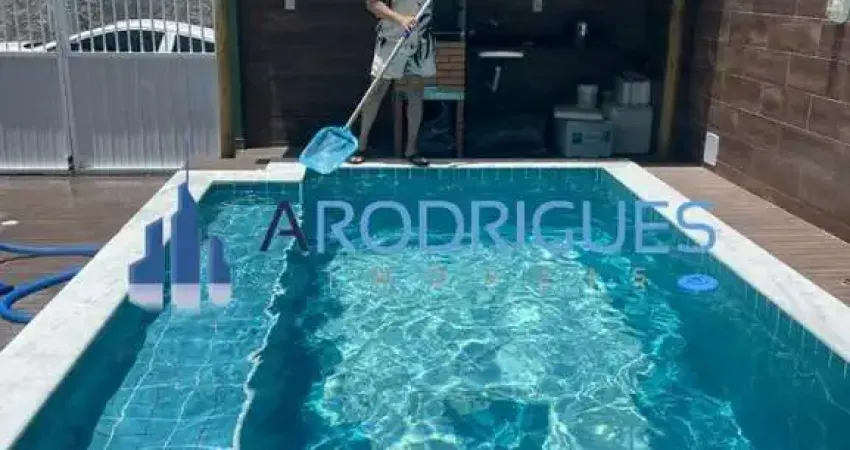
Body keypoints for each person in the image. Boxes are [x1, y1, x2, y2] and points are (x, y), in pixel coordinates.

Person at [350, 0, 435, 167]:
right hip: (391, 38)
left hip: (420, 40)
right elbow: (372, 4)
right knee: (376, 92)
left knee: (416, 94)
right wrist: (401, 19)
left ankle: (412, 150)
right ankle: (361, 146)